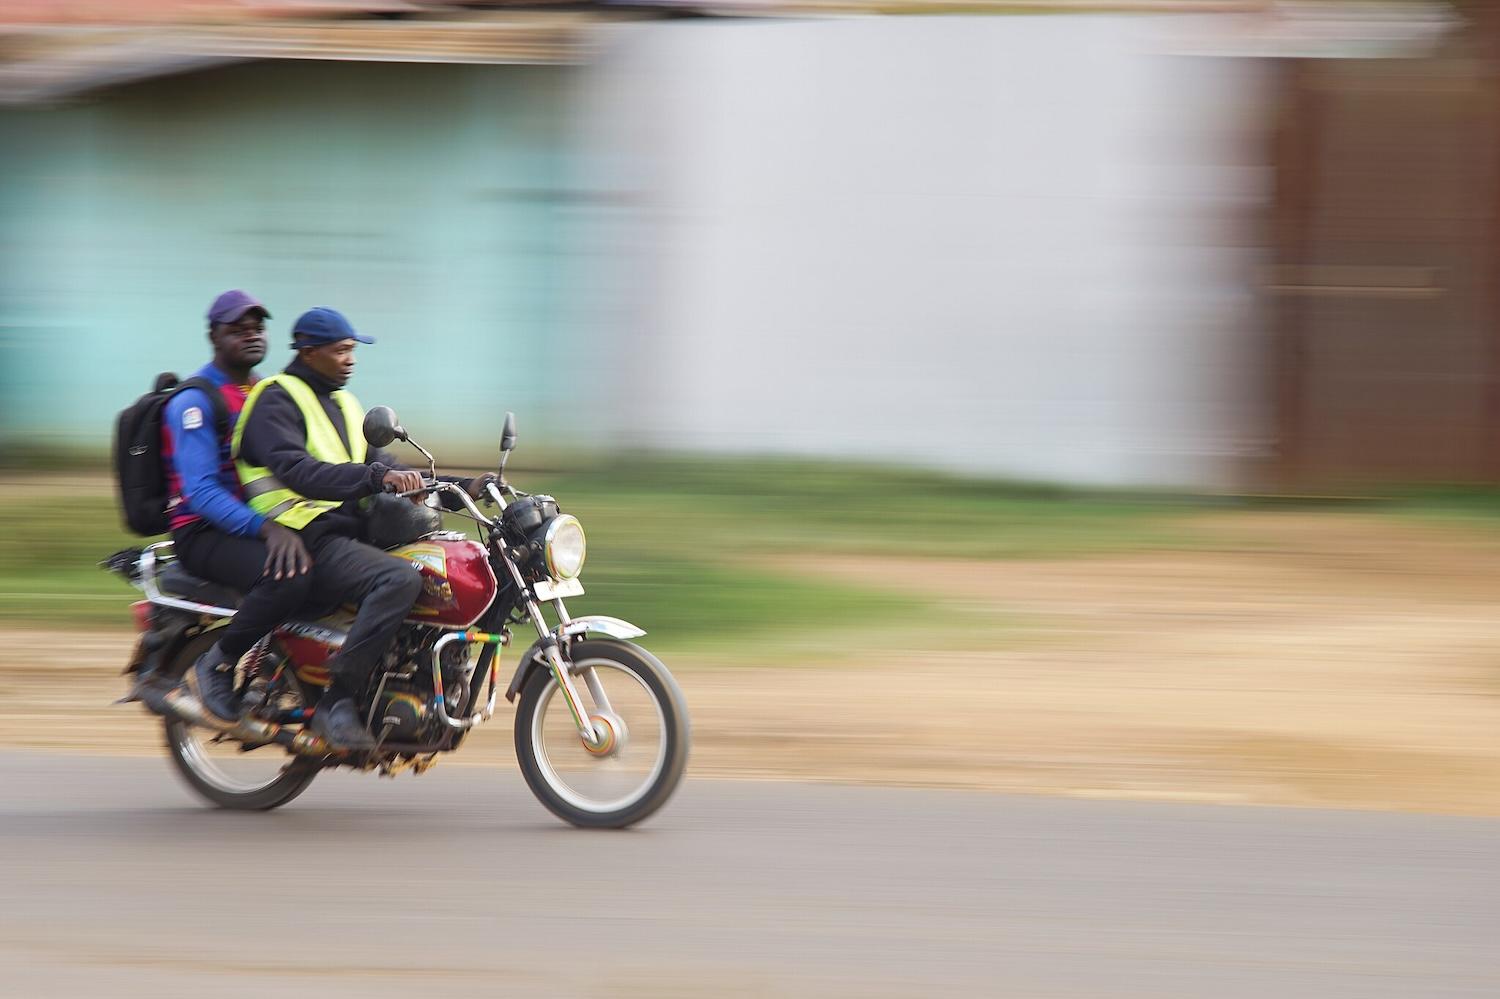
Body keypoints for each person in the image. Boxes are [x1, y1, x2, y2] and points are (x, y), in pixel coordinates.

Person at [232, 307, 491, 750]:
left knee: (433, 568)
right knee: (399, 580)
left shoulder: (346, 405)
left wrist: (462, 486)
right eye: (341, 351)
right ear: (308, 352)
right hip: (299, 533)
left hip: (342, 532)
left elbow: (387, 466)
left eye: (353, 350)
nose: (350, 359)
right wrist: (377, 478)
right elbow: (300, 471)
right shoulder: (276, 398)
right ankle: (338, 701)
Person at [164, 290, 314, 721]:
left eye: (257, 327)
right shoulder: (195, 401)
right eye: (237, 329)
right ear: (214, 336)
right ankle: (218, 665)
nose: (251, 335)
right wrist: (267, 529)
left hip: (260, 520)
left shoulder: (263, 392)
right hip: (204, 531)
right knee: (291, 575)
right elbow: (201, 492)